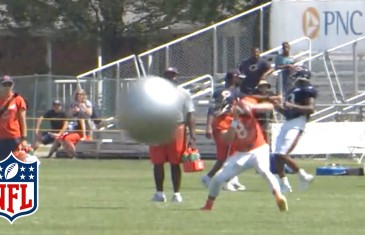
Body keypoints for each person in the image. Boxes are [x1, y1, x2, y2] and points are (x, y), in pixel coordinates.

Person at [200, 90, 288, 211]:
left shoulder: (244, 103)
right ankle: (208, 205)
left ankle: (279, 196)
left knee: (264, 171)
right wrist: (235, 121)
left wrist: (253, 107)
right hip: (241, 153)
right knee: (218, 178)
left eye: (219, 103)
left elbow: (269, 106)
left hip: (259, 147)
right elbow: (227, 139)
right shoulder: (219, 120)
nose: (216, 106)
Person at [149, 67, 196, 203]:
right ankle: (159, 193)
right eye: (168, 75)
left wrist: (193, 136)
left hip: (177, 126)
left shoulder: (183, 93)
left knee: (175, 162)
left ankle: (176, 193)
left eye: (173, 75)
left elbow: (190, 113)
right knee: (158, 162)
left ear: (176, 77)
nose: (170, 78)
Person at [272, 67, 317, 193]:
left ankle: (302, 176)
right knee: (276, 155)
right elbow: (288, 112)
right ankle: (284, 185)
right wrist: (278, 108)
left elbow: (310, 108)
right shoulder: (294, 90)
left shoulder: (307, 90)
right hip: (288, 122)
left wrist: (293, 106)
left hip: (298, 122)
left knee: (282, 154)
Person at [202, 69, 246, 191]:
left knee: (231, 155)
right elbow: (213, 109)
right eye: (238, 77)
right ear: (233, 78)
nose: (240, 80)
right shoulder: (223, 92)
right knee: (224, 157)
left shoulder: (235, 92)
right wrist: (208, 126)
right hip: (221, 124)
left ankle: (226, 179)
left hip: (230, 124)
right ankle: (213, 178)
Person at [0, 75, 28, 160]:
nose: (7, 87)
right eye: (5, 84)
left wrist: (24, 138)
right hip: (1, 137)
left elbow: (22, 120)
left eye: (9, 84)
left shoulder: (18, 99)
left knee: (17, 162)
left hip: (14, 136)